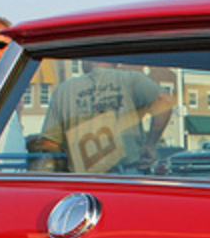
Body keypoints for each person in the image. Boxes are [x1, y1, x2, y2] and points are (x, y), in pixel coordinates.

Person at [36, 61, 173, 173]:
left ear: (84, 63)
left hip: (81, 181)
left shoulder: (63, 92)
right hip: (127, 175)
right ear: (117, 64)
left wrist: (64, 163)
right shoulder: (131, 80)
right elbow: (165, 100)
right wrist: (150, 145)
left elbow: (49, 143)